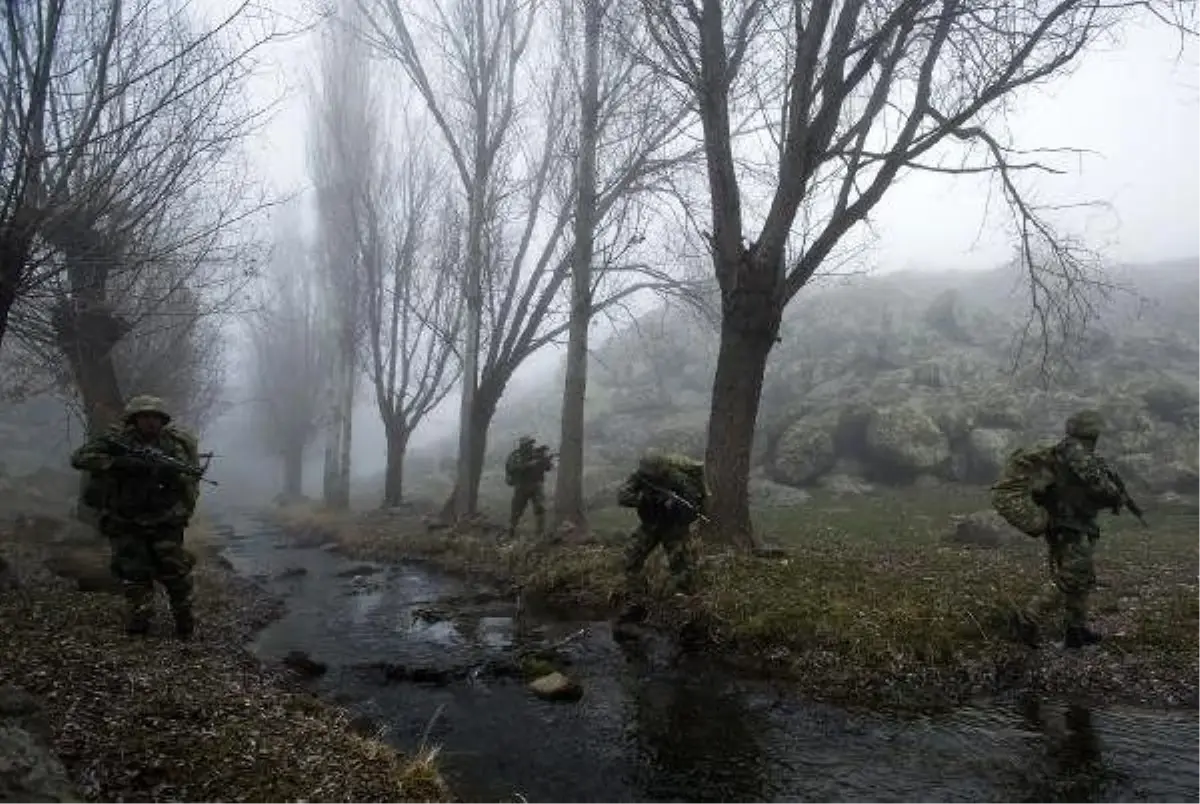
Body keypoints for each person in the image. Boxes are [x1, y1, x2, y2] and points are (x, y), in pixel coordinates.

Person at [70, 395, 202, 639]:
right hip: (126, 521)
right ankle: (139, 624)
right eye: (144, 417)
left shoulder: (173, 446)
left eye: (155, 417)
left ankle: (185, 624)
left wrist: (171, 479)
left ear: (162, 421)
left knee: (176, 575)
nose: (150, 422)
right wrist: (119, 463)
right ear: (134, 419)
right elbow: (79, 458)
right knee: (134, 575)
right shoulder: (116, 440)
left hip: (165, 520)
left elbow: (188, 482)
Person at [1011, 410, 1126, 649]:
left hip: (1072, 521)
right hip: (1070, 522)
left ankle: (1076, 629)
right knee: (1071, 576)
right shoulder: (1076, 453)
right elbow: (1097, 485)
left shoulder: (1066, 450)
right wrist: (1115, 495)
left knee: (1081, 578)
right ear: (1091, 431)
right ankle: (1027, 617)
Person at [617, 452, 705, 611]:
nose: (650, 475)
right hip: (650, 524)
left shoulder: (678, 478)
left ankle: (685, 602)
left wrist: (671, 504)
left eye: (653, 472)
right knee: (630, 557)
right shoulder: (640, 476)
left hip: (674, 527)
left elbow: (692, 508)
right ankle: (634, 593)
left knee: (682, 567)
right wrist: (644, 500)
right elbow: (622, 496)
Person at [504, 435, 554, 539]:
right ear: (522, 445)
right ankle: (510, 531)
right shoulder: (516, 455)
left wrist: (545, 460)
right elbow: (512, 467)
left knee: (540, 509)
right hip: (521, 486)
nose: (530, 446)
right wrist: (528, 465)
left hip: (536, 486)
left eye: (531, 444)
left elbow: (548, 468)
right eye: (528, 444)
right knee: (516, 510)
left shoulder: (536, 454)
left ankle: (540, 533)